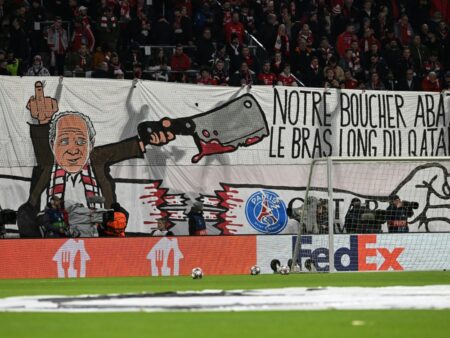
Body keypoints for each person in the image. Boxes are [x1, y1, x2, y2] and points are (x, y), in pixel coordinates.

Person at [17, 81, 174, 237]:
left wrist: (146, 140)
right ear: (53, 144)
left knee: (117, 216)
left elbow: (122, 150)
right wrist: (43, 123)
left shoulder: (96, 160)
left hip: (98, 234)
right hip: (56, 236)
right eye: (64, 141)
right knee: (25, 215)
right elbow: (43, 152)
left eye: (80, 141)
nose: (73, 149)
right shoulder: (49, 165)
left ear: (90, 144)